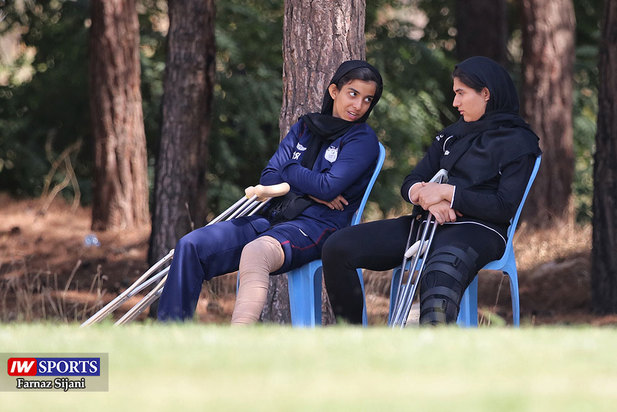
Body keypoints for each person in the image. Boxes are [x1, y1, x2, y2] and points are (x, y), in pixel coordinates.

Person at [158, 60, 383, 324]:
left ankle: (238, 339)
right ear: (334, 91)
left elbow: (327, 186)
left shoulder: (362, 139)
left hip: (316, 226)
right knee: (191, 246)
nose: (358, 105)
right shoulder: (305, 127)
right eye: (353, 94)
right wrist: (312, 191)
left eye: (367, 100)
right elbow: (269, 177)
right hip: (274, 216)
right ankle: (172, 332)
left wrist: (291, 170)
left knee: (257, 252)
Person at [321, 56, 541, 325]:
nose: (455, 102)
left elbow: (503, 207)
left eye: (461, 93)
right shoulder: (451, 136)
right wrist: (429, 199)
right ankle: (353, 338)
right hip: (426, 223)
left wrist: (448, 193)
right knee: (338, 248)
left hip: (479, 230)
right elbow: (412, 181)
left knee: (440, 274)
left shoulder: (519, 143)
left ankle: (434, 348)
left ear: (486, 93)